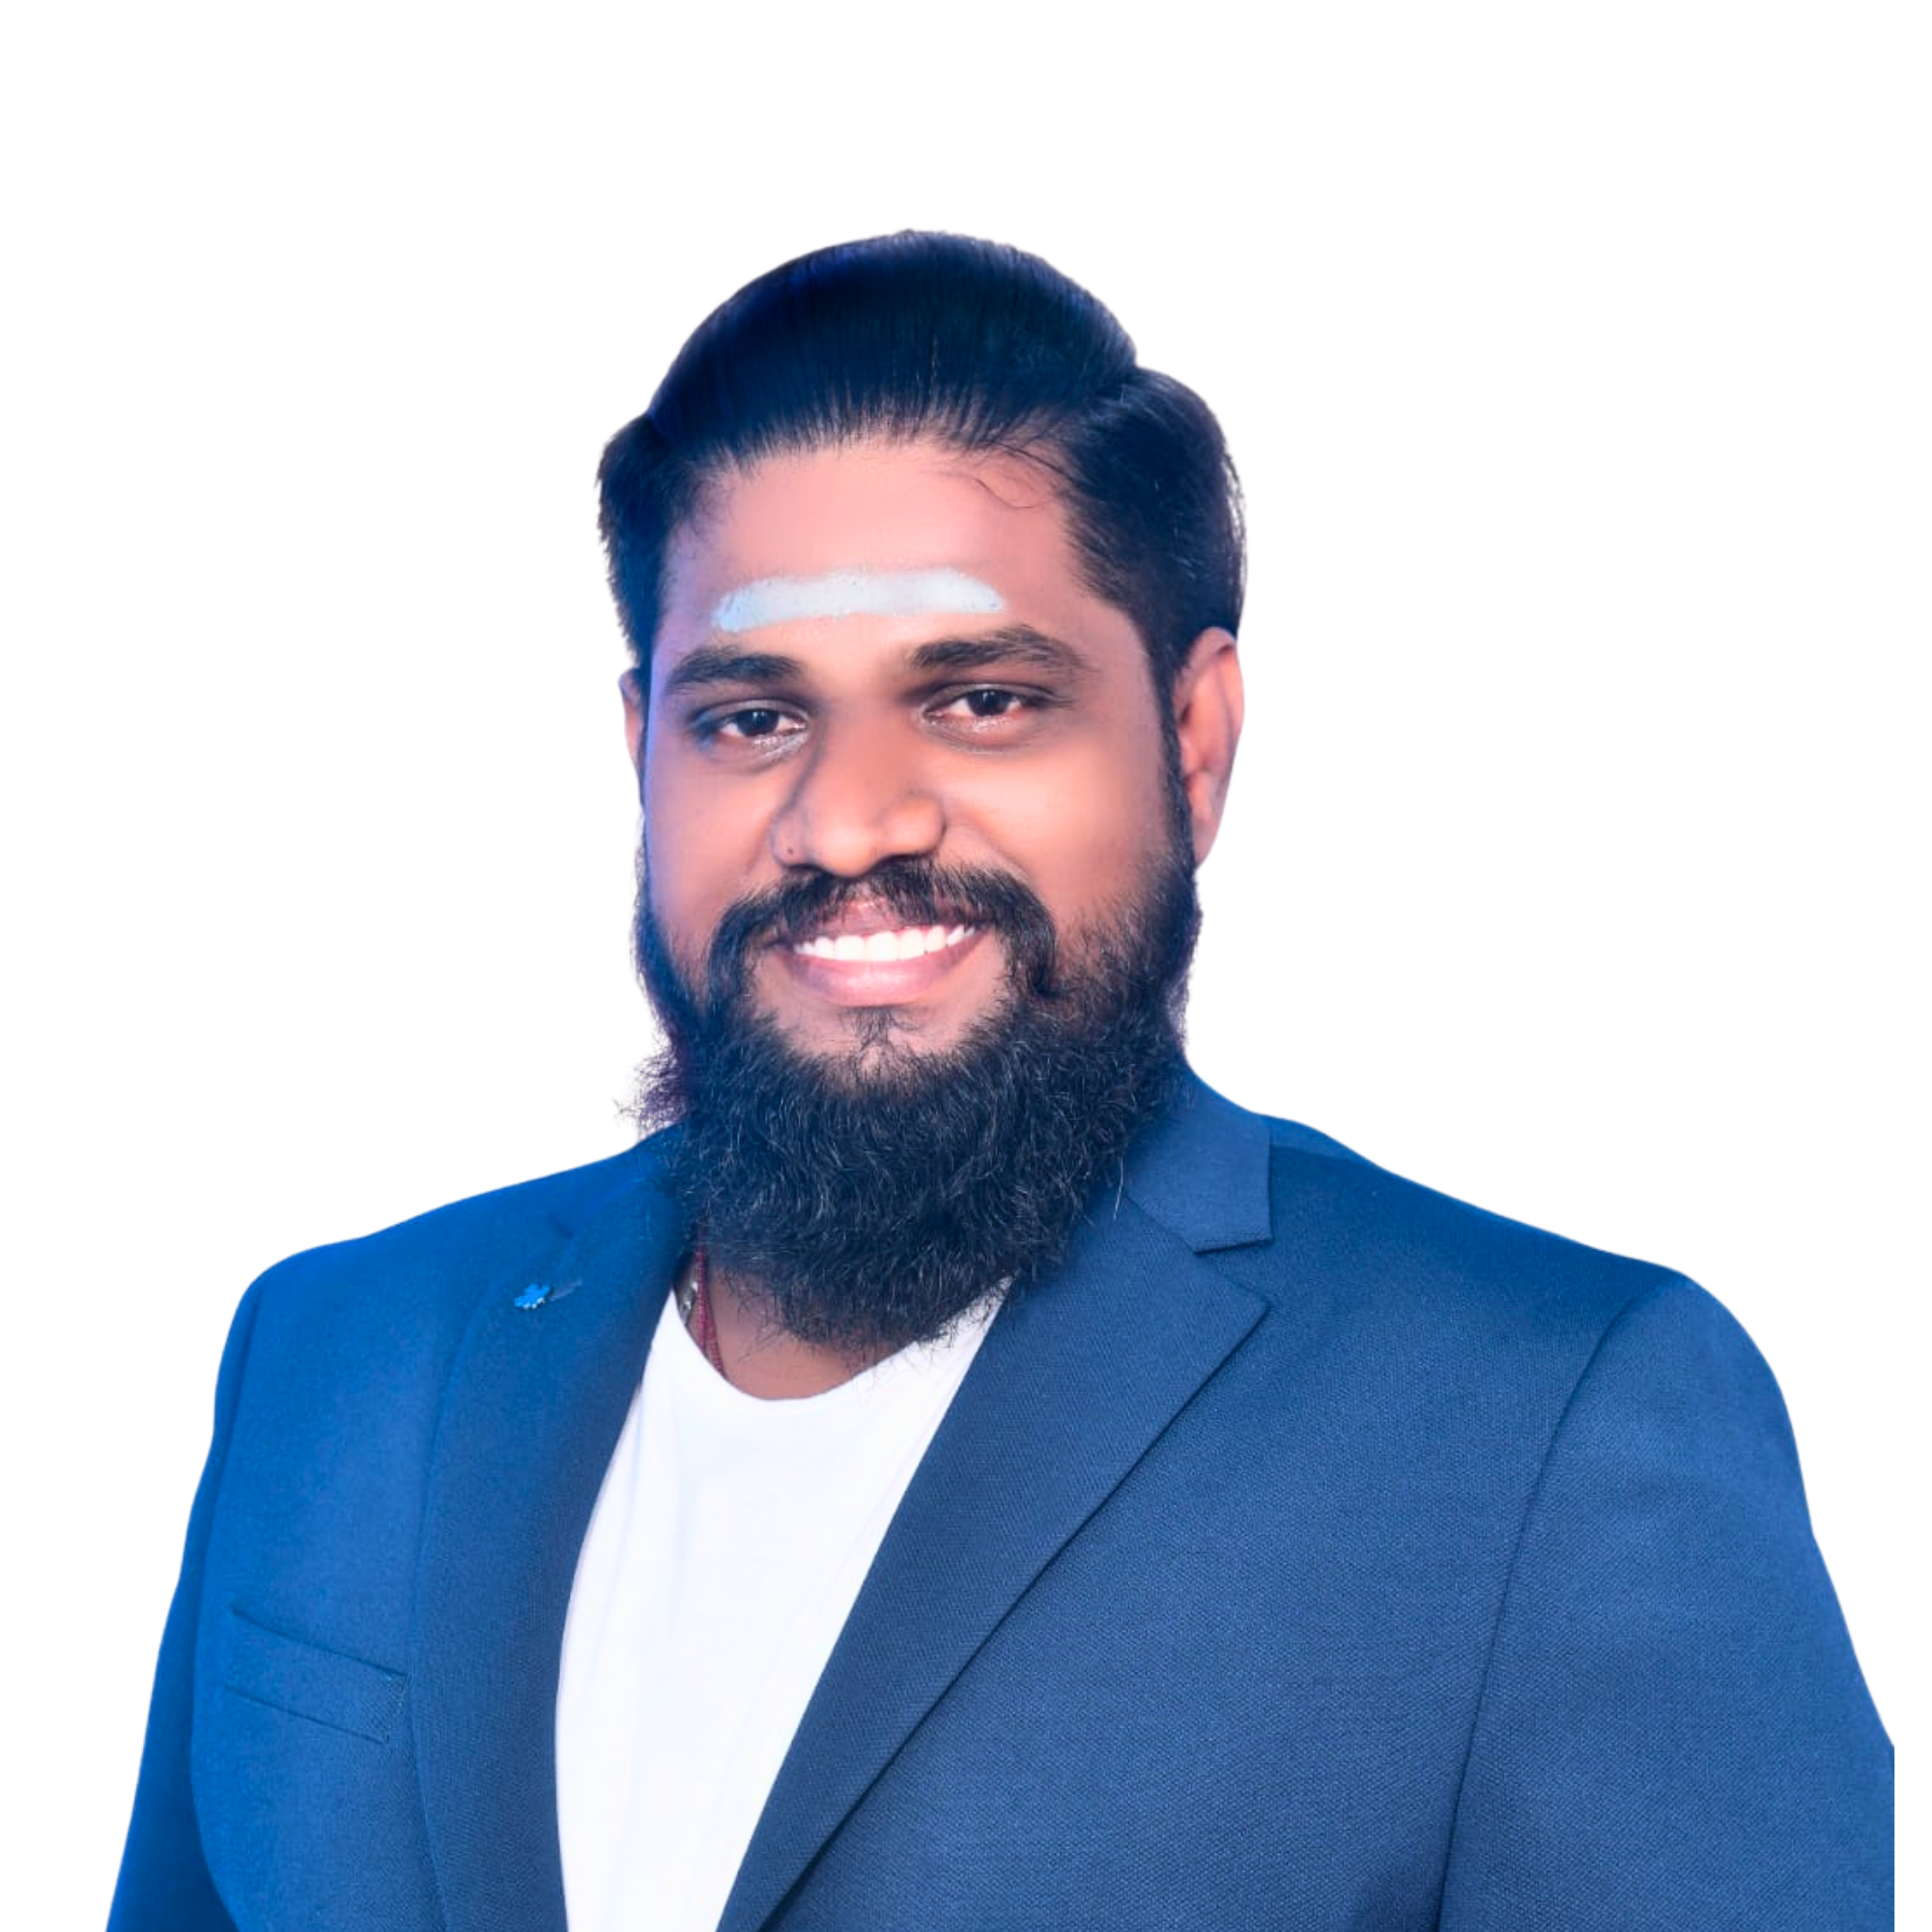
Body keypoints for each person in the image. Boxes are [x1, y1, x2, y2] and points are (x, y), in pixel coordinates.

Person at [109, 233, 1890, 1932]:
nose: (848, 821)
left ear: (1193, 741)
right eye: (751, 717)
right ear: (642, 749)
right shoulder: (336, 1356)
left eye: (979, 699)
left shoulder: (1553, 1434)